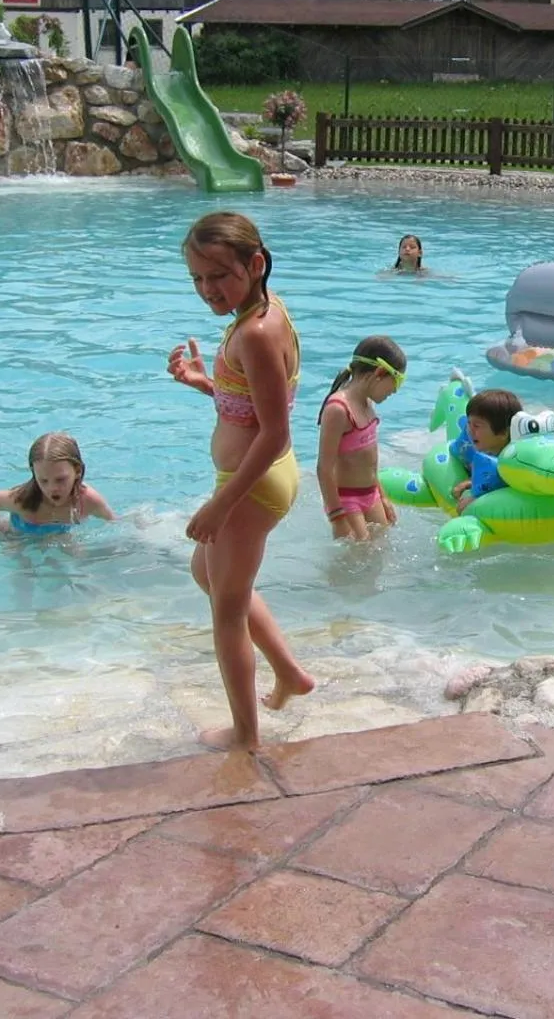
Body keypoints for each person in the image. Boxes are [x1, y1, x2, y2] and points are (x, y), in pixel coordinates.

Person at [167, 210, 316, 751]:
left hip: (252, 481)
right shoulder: (266, 313)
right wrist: (204, 382)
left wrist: (220, 505)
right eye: (198, 279)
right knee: (209, 574)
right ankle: (290, 674)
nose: (208, 289)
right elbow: (251, 406)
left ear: (255, 264)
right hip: (257, 476)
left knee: (226, 612)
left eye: (219, 276)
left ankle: (245, 735)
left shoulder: (254, 333)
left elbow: (274, 432)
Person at [317, 335, 406, 540]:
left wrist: (383, 498)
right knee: (355, 560)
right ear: (380, 372)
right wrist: (336, 516)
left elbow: (370, 462)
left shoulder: (367, 404)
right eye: (397, 381)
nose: (394, 391)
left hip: (371, 495)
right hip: (347, 501)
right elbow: (324, 467)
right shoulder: (338, 409)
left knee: (379, 556)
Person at [0, 432, 116, 534]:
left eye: (60, 479)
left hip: (61, 537)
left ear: (77, 471)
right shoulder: (20, 501)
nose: (52, 488)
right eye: (43, 480)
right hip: (21, 538)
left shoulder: (87, 500)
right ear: (34, 474)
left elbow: (114, 523)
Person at [449, 387, 522, 512]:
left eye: (476, 425)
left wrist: (476, 498)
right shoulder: (481, 449)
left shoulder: (516, 460)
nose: (469, 430)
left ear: (503, 433)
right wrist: (470, 481)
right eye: (469, 423)